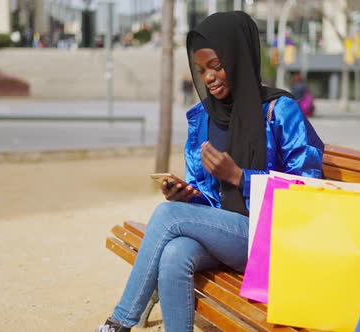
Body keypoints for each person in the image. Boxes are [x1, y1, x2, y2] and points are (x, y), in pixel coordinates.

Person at [96, 11, 324, 332]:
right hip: (227, 235)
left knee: (166, 215)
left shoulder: (279, 110)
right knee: (175, 253)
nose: (209, 77)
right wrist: (188, 196)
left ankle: (119, 322)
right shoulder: (203, 118)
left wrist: (241, 178)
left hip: (271, 237)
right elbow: (208, 198)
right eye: (202, 70)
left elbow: (310, 189)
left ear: (239, 57)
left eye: (217, 66)